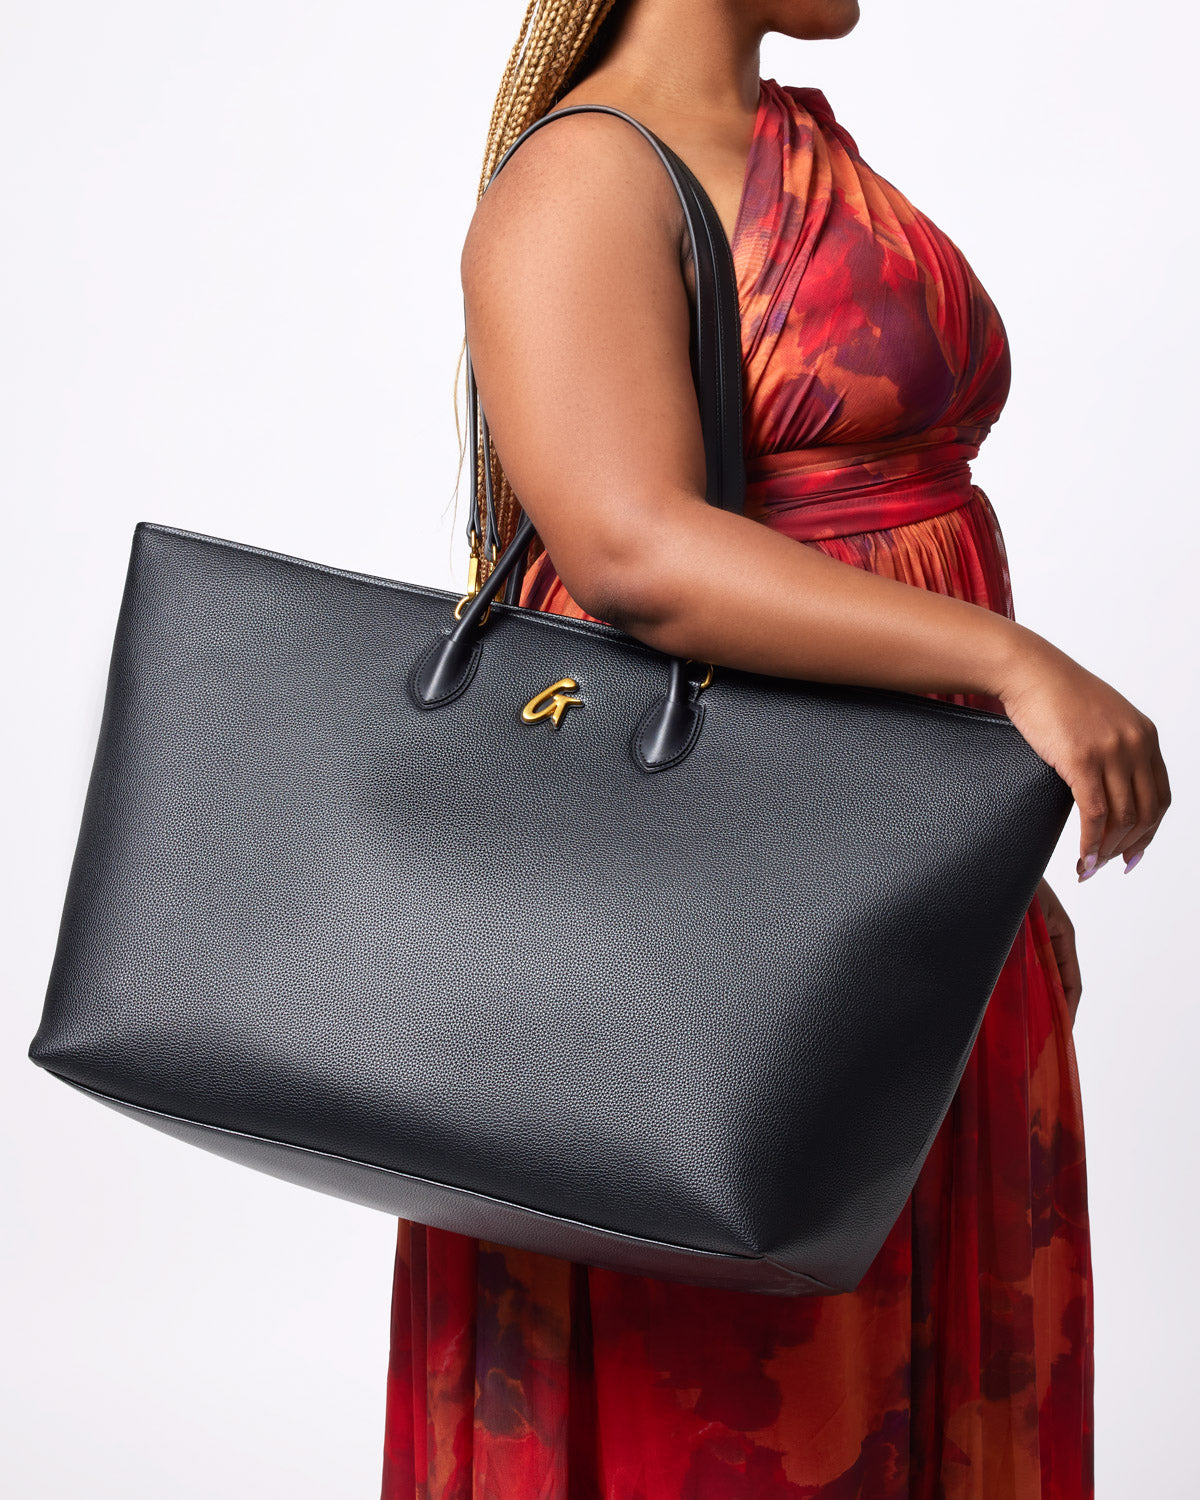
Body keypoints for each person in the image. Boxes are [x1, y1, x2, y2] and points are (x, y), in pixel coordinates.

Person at [381, 3, 1171, 1496]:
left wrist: (986, 862)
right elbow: (630, 547)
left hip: (904, 880)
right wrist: (1010, 666)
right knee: (751, 1412)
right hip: (711, 924)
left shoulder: (796, 146)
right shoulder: (585, 180)